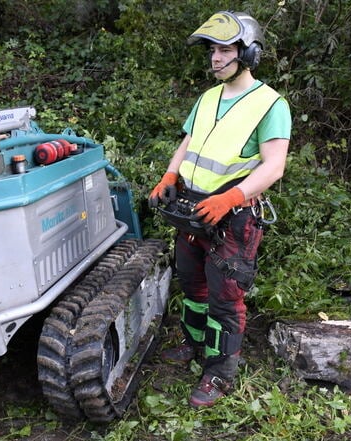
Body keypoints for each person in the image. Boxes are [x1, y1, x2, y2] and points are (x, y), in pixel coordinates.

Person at [148, 10, 291, 407]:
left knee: (225, 297)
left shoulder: (269, 104)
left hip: (234, 215)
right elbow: (189, 139)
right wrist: (169, 175)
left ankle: (220, 372)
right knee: (191, 282)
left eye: (225, 49)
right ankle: (193, 344)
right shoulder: (208, 97)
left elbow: (274, 165)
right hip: (192, 207)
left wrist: (232, 197)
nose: (214, 58)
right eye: (212, 50)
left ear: (249, 53)